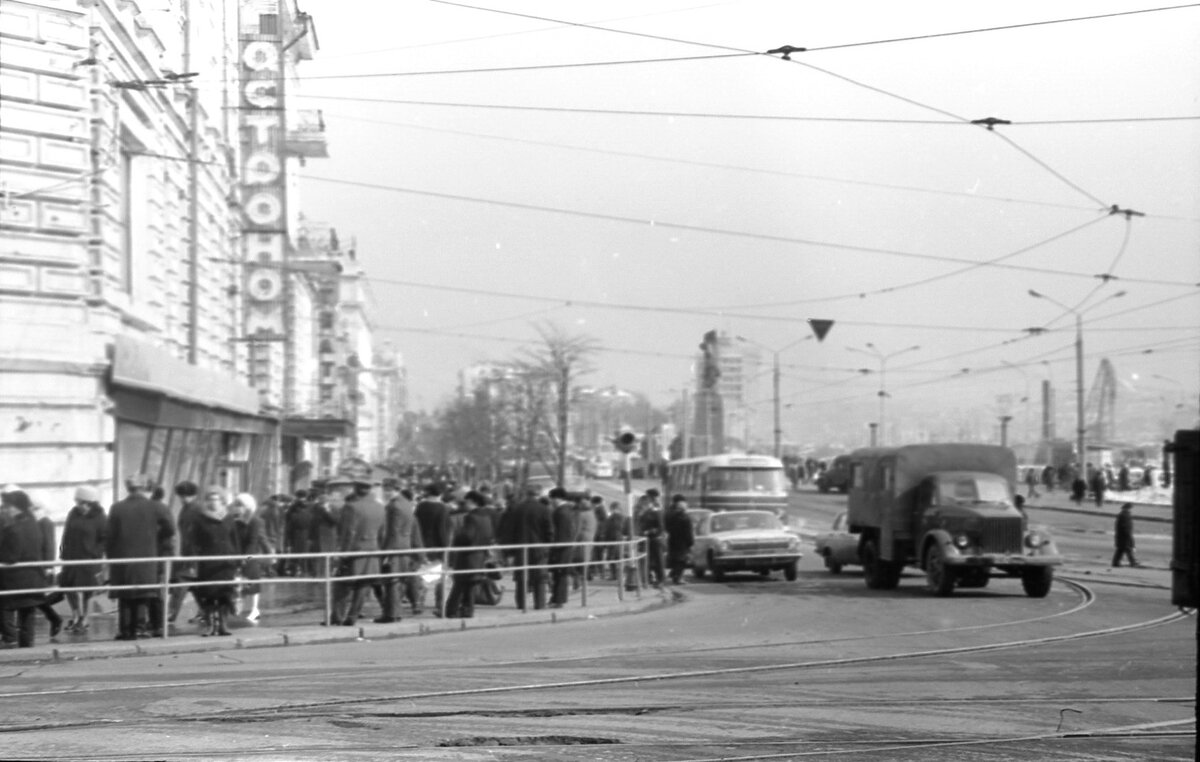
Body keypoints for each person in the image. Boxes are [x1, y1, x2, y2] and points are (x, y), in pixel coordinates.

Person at [105, 474, 176, 640]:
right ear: (146, 488)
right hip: (147, 555)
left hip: (122, 558)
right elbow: (170, 528)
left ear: (128, 488)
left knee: (125, 594)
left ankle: (125, 630)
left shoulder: (117, 508)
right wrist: (157, 537)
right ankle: (139, 628)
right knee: (143, 594)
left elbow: (109, 536)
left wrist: (110, 557)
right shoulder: (156, 507)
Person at [330, 477, 386, 626]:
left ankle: (337, 617)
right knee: (364, 585)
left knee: (342, 585)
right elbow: (382, 533)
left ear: (355, 488)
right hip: (373, 550)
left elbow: (348, 532)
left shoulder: (351, 507)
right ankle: (352, 616)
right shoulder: (380, 507)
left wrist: (342, 554)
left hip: (355, 550)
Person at [0, 490, 52, 648]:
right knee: (28, 614)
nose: (5, 510)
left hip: (14, 580)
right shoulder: (34, 524)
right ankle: (27, 645)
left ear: (17, 508)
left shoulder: (13, 529)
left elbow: (11, 556)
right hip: (34, 579)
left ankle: (10, 640)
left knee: (4, 609)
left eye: (7, 506)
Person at [496, 483, 554, 611]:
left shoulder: (517, 509)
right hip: (539, 548)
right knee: (539, 577)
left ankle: (521, 603)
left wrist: (508, 552)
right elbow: (549, 530)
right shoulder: (544, 509)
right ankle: (539, 604)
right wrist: (548, 546)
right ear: (538, 495)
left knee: (521, 576)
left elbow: (509, 531)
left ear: (526, 495)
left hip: (520, 548)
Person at [191, 486, 238, 636]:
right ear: (206, 501)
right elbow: (193, 541)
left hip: (226, 562)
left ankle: (223, 624)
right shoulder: (200, 519)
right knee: (209, 594)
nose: (214, 502)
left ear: (222, 501)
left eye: (216, 499)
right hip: (208, 562)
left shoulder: (229, 518)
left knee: (225, 594)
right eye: (210, 499)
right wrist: (193, 559)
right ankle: (210, 625)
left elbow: (235, 539)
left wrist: (238, 559)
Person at [59, 486, 107, 633]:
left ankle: (83, 619)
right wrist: (63, 550)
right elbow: (66, 532)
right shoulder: (73, 513)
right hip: (71, 557)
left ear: (89, 503)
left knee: (85, 591)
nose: (78, 505)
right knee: (69, 587)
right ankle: (75, 615)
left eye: (81, 502)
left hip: (89, 560)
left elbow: (105, 539)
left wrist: (95, 553)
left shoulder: (100, 517)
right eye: (77, 502)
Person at [376, 478, 424, 622]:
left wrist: (385, 553)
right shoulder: (407, 503)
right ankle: (396, 613)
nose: (385, 492)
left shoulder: (393, 506)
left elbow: (392, 532)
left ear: (394, 489)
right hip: (405, 547)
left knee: (391, 582)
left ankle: (391, 614)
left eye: (387, 489)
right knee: (399, 581)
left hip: (394, 548)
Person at [444, 490, 495, 619]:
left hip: (468, 555)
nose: (465, 504)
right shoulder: (486, 517)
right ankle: (468, 610)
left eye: (467, 501)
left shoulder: (471, 517)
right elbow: (489, 535)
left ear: (473, 502)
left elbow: (467, 536)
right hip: (480, 555)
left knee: (459, 583)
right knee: (470, 585)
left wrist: (457, 538)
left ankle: (451, 610)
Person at [229, 493, 271, 622]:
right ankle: (237, 605)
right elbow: (232, 539)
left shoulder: (255, 521)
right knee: (237, 582)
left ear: (247, 507)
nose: (237, 508)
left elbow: (253, 541)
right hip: (237, 554)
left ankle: (255, 609)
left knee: (252, 582)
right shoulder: (234, 521)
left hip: (250, 556)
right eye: (236, 505)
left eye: (240, 505)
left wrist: (246, 558)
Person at [168, 481, 202, 624]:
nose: (182, 499)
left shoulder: (193, 509)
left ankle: (171, 613)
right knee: (195, 585)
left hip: (192, 554)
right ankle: (204, 611)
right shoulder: (189, 508)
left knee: (182, 583)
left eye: (185, 496)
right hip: (190, 553)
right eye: (182, 496)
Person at [29, 500, 64, 638]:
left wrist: (49, 566)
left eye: (35, 508)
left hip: (41, 566)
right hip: (35, 564)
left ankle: (54, 618)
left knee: (33, 597)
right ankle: (54, 618)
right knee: (32, 596)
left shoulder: (45, 522)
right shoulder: (36, 522)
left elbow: (49, 545)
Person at [548, 488, 579, 607]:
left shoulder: (561, 512)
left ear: (557, 498)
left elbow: (562, 533)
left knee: (560, 573)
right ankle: (557, 598)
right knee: (559, 573)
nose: (551, 501)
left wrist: (555, 547)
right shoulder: (567, 510)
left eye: (552, 498)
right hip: (565, 546)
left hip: (562, 547)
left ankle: (558, 600)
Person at [663, 494, 695, 585]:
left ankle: (674, 574)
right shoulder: (684, 517)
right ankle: (677, 577)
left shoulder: (668, 514)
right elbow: (688, 531)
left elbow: (666, 526)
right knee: (682, 560)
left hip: (672, 540)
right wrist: (690, 542)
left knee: (675, 559)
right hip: (683, 542)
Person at [637, 491, 666, 588]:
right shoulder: (645, 513)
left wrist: (649, 531)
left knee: (658, 561)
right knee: (648, 561)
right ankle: (648, 579)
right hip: (646, 540)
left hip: (655, 539)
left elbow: (660, 527)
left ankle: (660, 579)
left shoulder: (656, 512)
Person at [1112, 502, 1140, 568]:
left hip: (1120, 535)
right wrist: (1130, 536)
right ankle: (1133, 562)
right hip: (1125, 536)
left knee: (1121, 550)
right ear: (1128, 508)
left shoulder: (1121, 515)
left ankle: (1116, 562)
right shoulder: (1126, 516)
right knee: (1127, 549)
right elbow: (1126, 527)